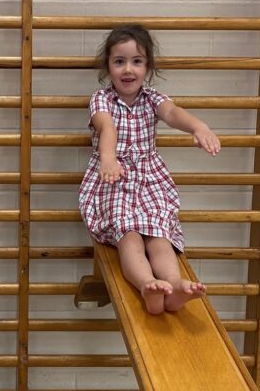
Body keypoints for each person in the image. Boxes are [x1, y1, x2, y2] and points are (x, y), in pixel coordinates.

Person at [78, 24, 221, 315]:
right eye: (119, 61)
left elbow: (172, 113)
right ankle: (147, 285)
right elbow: (107, 127)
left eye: (137, 61)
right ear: (108, 66)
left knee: (159, 235)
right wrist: (108, 158)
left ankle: (172, 285)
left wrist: (198, 126)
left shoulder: (152, 98)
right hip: (114, 178)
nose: (128, 69)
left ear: (148, 67)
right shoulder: (101, 99)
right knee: (129, 235)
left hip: (149, 180)